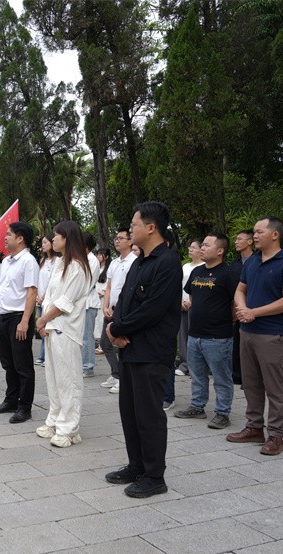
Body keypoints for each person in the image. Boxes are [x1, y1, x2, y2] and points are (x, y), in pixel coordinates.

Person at [104, 201, 181, 499]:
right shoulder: (140, 261)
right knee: (130, 412)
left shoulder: (168, 263)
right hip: (130, 349)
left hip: (152, 350)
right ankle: (136, 465)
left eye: (134, 224)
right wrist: (115, 328)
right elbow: (125, 300)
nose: (130, 229)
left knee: (149, 415)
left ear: (151, 228)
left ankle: (154, 476)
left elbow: (153, 309)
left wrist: (118, 329)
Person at [228, 217, 283, 456]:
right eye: (254, 232)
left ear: (275, 235)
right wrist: (242, 308)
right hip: (247, 331)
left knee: (275, 386)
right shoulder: (252, 261)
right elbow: (241, 289)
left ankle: (276, 435)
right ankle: (254, 427)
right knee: (250, 383)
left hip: (272, 334)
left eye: (259, 232)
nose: (255, 236)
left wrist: (253, 312)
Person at [174, 233, 240, 429]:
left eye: (206, 245)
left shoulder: (228, 274)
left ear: (220, 251)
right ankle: (197, 406)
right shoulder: (197, 272)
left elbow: (237, 302)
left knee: (221, 378)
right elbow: (193, 298)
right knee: (197, 375)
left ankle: (222, 413)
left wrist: (228, 319)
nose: (202, 248)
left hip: (218, 337)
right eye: (201, 244)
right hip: (195, 334)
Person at [35, 220, 91, 447]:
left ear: (67, 238)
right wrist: (44, 321)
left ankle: (69, 428)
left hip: (66, 329)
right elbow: (50, 296)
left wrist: (42, 319)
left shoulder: (78, 267)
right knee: (54, 378)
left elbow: (65, 302)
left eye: (57, 235)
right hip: (52, 326)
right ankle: (54, 420)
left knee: (68, 380)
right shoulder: (59, 263)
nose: (53, 239)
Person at [0, 222, 39, 423]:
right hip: (5, 316)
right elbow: (4, 289)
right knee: (8, 362)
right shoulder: (7, 261)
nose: (5, 237)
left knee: (22, 365)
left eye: (9, 234)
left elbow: (32, 292)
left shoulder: (28, 261)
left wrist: (25, 320)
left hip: (19, 317)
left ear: (20, 238)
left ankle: (25, 406)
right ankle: (11, 400)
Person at [99, 227, 137, 394]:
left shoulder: (134, 261)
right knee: (104, 342)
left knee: (123, 344)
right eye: (116, 238)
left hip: (124, 311)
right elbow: (109, 287)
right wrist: (105, 306)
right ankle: (116, 374)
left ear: (130, 241)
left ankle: (124, 379)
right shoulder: (114, 262)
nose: (117, 241)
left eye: (121, 238)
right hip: (111, 309)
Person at [229, 230, 255, 384]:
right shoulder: (234, 263)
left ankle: (251, 377)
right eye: (235, 239)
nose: (236, 242)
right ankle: (236, 375)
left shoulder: (257, 261)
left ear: (250, 241)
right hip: (236, 306)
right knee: (236, 341)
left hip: (253, 307)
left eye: (239, 239)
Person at [176, 239, 203, 376]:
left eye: (193, 247)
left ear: (201, 249)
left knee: (195, 336)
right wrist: (181, 301)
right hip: (182, 304)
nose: (190, 250)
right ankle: (184, 364)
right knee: (183, 336)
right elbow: (179, 285)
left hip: (196, 305)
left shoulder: (204, 266)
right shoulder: (185, 266)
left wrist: (192, 302)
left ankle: (196, 366)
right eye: (189, 247)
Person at [34, 235, 58, 367]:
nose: (43, 245)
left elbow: (52, 281)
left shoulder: (57, 261)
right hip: (39, 299)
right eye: (42, 243)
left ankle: (48, 357)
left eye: (45, 242)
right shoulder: (42, 260)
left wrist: (44, 296)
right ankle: (42, 355)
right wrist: (37, 296)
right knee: (40, 327)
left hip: (49, 300)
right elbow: (39, 279)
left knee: (48, 327)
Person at [82, 233, 102, 378]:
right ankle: (83, 364)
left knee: (87, 337)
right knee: (81, 337)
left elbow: (87, 283)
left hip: (89, 303)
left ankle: (88, 367)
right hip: (81, 303)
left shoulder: (92, 260)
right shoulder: (81, 259)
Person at [94, 248, 111, 352]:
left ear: (106, 257)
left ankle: (102, 345)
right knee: (97, 321)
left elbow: (109, 285)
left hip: (103, 297)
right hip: (96, 296)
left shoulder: (109, 269)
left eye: (101, 255)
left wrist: (103, 293)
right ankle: (99, 343)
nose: (98, 256)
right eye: (98, 254)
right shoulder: (97, 267)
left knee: (101, 320)